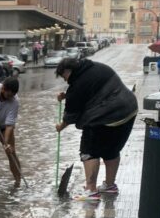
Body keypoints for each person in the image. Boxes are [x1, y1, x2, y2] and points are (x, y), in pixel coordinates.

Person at [54, 56, 138, 202]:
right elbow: (92, 91)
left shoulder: (77, 84)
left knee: (88, 150)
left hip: (107, 115)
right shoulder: (97, 67)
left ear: (68, 70)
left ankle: (91, 190)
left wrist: (61, 126)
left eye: (63, 76)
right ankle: (110, 186)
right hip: (129, 110)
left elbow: (71, 115)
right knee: (111, 149)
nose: (65, 80)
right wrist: (67, 96)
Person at [0, 76, 21, 186]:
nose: (9, 98)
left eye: (12, 96)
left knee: (11, 152)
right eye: (7, 95)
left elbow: (10, 125)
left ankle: (18, 182)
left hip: (3, 125)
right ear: (2, 88)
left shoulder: (15, 101)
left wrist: (6, 144)